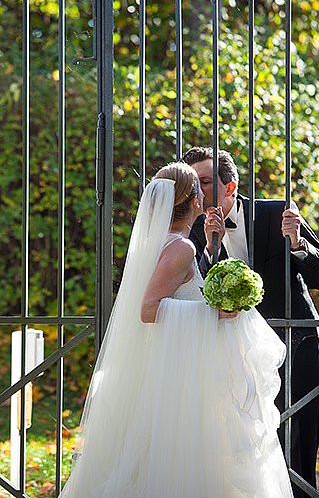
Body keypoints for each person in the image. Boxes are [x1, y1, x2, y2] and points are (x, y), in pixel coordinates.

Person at [59, 162, 293, 498]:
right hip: (182, 376)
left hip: (173, 366)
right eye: (200, 187)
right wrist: (213, 313)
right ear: (195, 200)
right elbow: (149, 308)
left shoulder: (163, 242)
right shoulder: (181, 248)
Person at [182, 147, 319, 498]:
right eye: (194, 183)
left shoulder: (276, 213)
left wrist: (299, 244)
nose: (197, 192)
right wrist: (211, 247)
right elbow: (197, 294)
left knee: (298, 446)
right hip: (235, 359)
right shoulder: (189, 231)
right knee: (243, 450)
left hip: (295, 346)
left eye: (205, 182)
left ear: (231, 188)